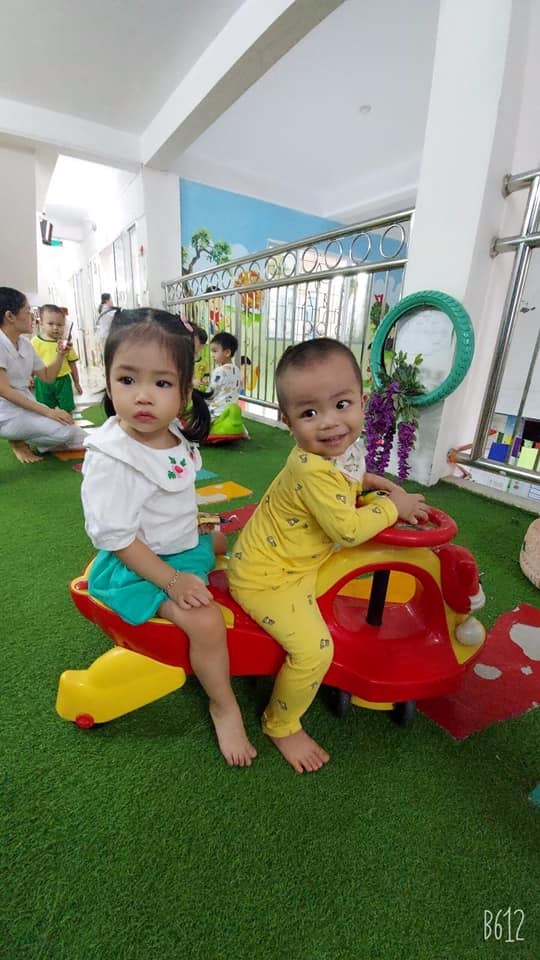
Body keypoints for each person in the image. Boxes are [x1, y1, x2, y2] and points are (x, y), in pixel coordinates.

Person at [228, 337, 428, 774]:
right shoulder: (311, 466)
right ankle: (281, 724)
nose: (330, 423)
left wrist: (374, 484)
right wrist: (394, 507)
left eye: (341, 404)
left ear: (363, 402)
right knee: (315, 652)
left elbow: (350, 475)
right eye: (309, 413)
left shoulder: (340, 448)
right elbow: (348, 530)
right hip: (268, 578)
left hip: (295, 562)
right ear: (287, 422)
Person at [80, 308, 256, 767]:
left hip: (178, 541)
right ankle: (224, 705)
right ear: (108, 381)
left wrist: (192, 520)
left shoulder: (170, 430)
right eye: (127, 379)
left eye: (161, 383)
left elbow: (168, 491)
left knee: (225, 545)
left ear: (184, 393)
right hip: (140, 564)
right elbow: (119, 538)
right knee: (206, 623)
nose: (142, 396)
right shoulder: (112, 458)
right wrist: (173, 582)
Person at [0, 287, 87, 463]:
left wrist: (60, 354)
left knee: (77, 434)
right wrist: (48, 411)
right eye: (28, 312)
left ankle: (29, 438)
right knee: (65, 431)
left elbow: (47, 376)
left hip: (25, 406)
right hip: (5, 414)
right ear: (10, 316)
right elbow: (4, 391)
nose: (33, 317)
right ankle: (18, 439)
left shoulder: (25, 344)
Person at [31, 304, 82, 412]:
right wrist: (29, 377)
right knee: (45, 409)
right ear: (41, 323)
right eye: (50, 324)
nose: (55, 328)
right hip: (42, 381)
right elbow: (30, 362)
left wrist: (76, 382)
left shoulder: (65, 344)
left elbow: (72, 364)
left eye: (59, 325)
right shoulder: (34, 342)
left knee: (67, 408)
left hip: (63, 381)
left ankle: (68, 422)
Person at [208, 331, 241, 419]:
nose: (212, 355)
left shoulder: (219, 371)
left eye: (215, 351)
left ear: (227, 353)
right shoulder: (237, 370)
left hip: (216, 413)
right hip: (231, 413)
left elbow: (210, 394)